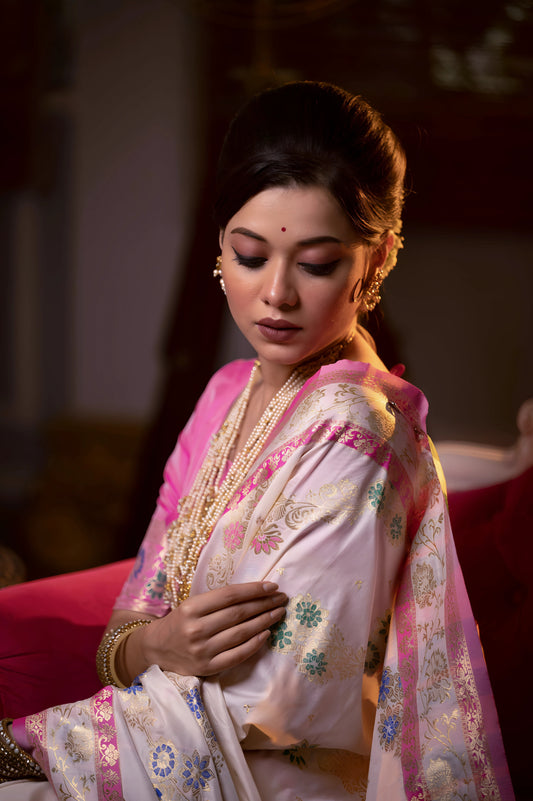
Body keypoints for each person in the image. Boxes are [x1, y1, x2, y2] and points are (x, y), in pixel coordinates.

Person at [0, 81, 513, 800]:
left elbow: (281, 706)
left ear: (379, 256)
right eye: (248, 255)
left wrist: (34, 743)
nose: (275, 294)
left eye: (315, 262)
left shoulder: (357, 429)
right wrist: (155, 643)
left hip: (261, 779)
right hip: (159, 742)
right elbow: (129, 623)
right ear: (218, 245)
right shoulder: (223, 396)